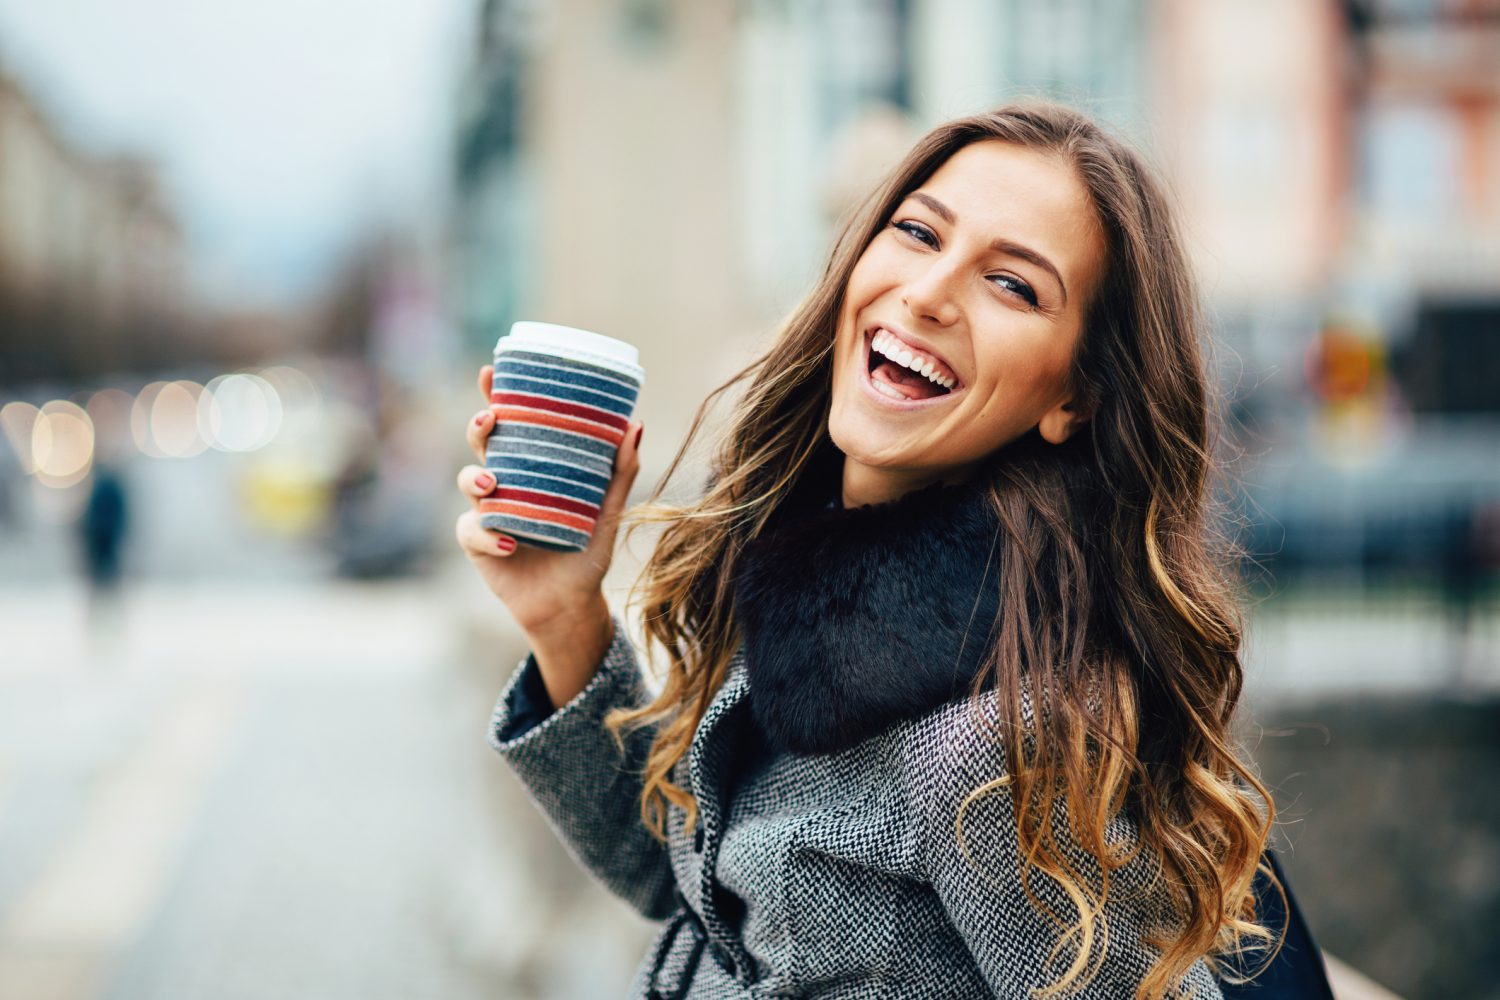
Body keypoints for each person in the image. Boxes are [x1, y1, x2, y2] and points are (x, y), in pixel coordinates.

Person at [454, 100, 1333, 999]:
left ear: (1074, 397)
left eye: (1014, 284)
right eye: (918, 232)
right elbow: (693, 887)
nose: (926, 292)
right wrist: (565, 617)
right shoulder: (792, 567)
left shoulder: (999, 744)